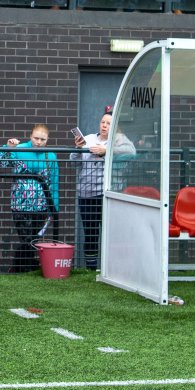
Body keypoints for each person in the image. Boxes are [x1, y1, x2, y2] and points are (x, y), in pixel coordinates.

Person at [71, 110, 135, 271]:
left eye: (108, 123)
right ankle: (91, 269)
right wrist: (78, 149)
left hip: (107, 194)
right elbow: (74, 163)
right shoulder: (89, 138)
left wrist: (106, 151)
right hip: (86, 193)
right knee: (90, 233)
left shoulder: (119, 139)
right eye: (103, 122)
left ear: (115, 126)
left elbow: (131, 152)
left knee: (110, 233)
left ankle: (111, 269)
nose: (104, 125)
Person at [0, 124, 58, 273]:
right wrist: (8, 148)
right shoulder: (19, 149)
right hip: (20, 204)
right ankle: (26, 267)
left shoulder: (51, 156)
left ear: (47, 140)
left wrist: (54, 207)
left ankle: (20, 267)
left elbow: (54, 181)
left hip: (42, 205)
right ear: (30, 136)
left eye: (43, 139)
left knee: (33, 239)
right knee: (26, 238)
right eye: (36, 138)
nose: (39, 142)